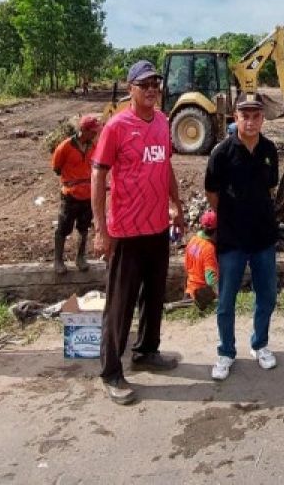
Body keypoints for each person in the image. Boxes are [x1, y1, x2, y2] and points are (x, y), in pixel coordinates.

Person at [91, 60, 186, 405]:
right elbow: (98, 176)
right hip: (126, 231)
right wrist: (102, 229)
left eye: (155, 84)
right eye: (144, 84)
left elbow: (166, 166)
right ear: (130, 88)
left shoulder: (162, 121)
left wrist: (176, 205)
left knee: (154, 295)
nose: (151, 90)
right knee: (119, 305)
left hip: (157, 226)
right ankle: (111, 372)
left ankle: (147, 350)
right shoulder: (117, 126)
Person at [204, 94, 281, 381]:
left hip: (263, 236)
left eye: (255, 115)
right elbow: (212, 191)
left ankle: (260, 344)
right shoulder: (222, 153)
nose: (250, 121)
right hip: (232, 239)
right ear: (235, 118)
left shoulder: (269, 150)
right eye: (244, 115)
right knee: (226, 299)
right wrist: (231, 214)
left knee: (267, 295)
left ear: (262, 118)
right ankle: (226, 351)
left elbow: (270, 187)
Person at [51, 114, 101, 274]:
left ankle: (80, 258)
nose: (95, 134)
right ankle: (58, 260)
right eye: (92, 131)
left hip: (88, 195)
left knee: (84, 227)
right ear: (83, 130)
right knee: (63, 228)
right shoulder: (64, 147)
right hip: (70, 195)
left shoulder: (93, 147)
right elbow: (56, 168)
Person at [184, 210, 219, 309]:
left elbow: (186, 269)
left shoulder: (193, 240)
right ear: (216, 230)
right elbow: (210, 279)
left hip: (188, 293)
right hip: (201, 296)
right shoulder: (208, 248)